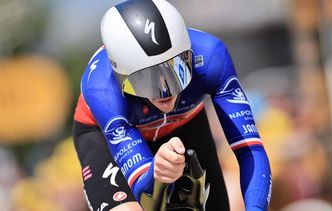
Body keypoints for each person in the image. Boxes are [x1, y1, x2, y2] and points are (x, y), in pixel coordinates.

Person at [72, 0, 272, 210]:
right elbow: (145, 193)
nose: (165, 90)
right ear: (120, 75)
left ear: (189, 54)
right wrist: (155, 173)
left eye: (176, 69)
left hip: (184, 121)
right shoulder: (101, 88)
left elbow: (250, 150)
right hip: (103, 136)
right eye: (145, 80)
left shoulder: (212, 56)